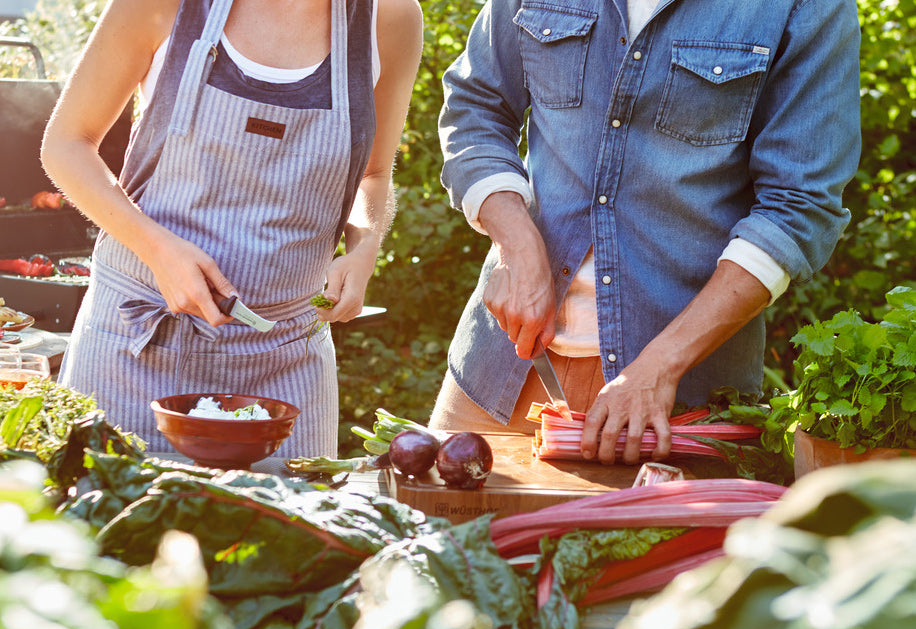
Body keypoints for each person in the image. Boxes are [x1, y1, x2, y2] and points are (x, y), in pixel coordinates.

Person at [429, 0, 861, 465]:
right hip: (497, 375)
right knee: (438, 531)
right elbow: (476, 109)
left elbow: (798, 205)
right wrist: (517, 244)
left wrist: (661, 365)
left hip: (675, 408)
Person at [41, 0, 423, 473]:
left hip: (285, 364)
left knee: (286, 540)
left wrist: (364, 247)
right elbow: (66, 144)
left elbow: (375, 173)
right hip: (135, 346)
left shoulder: (388, 17)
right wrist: (157, 248)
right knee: (105, 535)